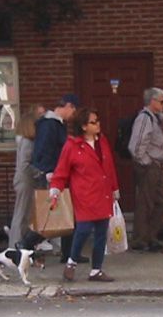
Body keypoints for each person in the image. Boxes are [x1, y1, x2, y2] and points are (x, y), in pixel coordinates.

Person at [48, 107, 121, 282]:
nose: (98, 125)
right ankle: (71, 262)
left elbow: (109, 167)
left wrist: (114, 189)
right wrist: (55, 191)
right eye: (93, 122)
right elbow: (61, 171)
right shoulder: (72, 146)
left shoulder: (102, 142)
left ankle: (96, 269)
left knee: (102, 232)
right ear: (83, 126)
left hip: (103, 193)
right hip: (84, 194)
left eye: (98, 121)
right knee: (84, 229)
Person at [27, 94, 79, 263]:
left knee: (62, 212)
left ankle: (68, 252)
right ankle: (26, 244)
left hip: (56, 173)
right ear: (69, 106)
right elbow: (44, 150)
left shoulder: (53, 124)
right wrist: (48, 171)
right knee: (52, 214)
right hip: (52, 174)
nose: (73, 116)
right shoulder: (51, 125)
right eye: (74, 111)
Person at [128, 87, 163, 252]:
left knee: (161, 202)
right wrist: (145, 162)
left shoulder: (154, 119)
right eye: (162, 101)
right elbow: (136, 145)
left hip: (154, 165)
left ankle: (150, 236)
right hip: (149, 165)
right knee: (146, 203)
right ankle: (140, 239)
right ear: (152, 101)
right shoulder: (144, 119)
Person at [8, 104, 47, 249]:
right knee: (21, 214)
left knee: (26, 215)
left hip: (27, 180)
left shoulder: (27, 141)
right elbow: (24, 164)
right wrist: (39, 172)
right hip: (25, 180)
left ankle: (22, 244)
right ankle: (14, 245)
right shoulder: (27, 142)